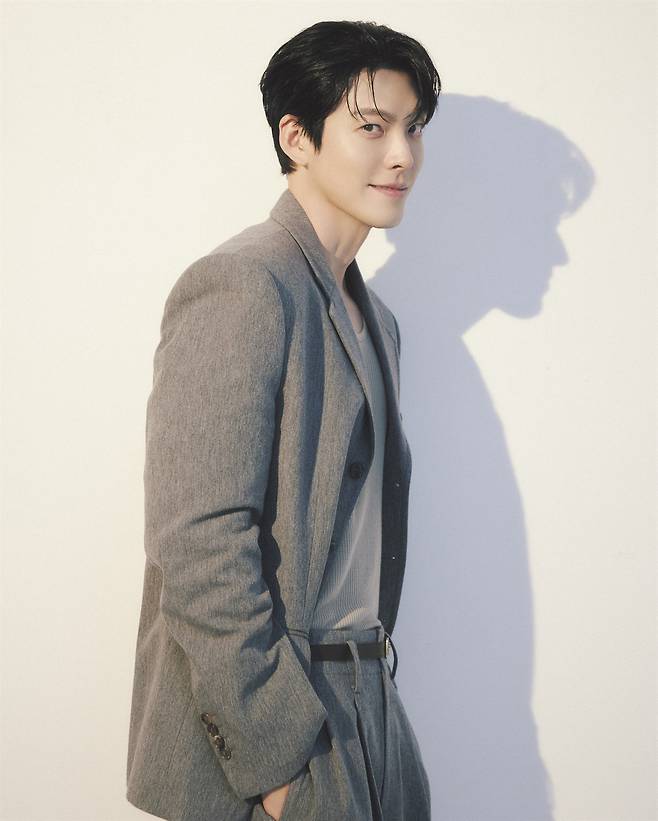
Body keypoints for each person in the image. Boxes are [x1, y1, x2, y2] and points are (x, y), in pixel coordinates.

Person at [126, 19, 441, 821]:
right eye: (371, 127)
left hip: (370, 703)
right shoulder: (242, 285)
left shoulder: (378, 321)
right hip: (284, 725)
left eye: (412, 128)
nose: (402, 155)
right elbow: (198, 541)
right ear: (296, 137)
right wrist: (277, 764)